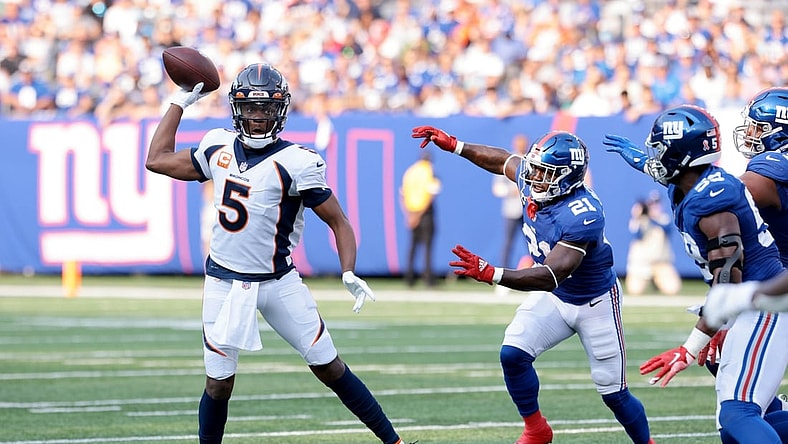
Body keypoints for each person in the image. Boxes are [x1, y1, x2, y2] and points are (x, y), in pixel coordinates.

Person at [146, 63, 409, 444]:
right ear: (237, 110)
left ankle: (394, 442)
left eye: (265, 109)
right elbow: (157, 159)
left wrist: (348, 270)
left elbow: (339, 222)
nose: (256, 118)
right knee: (218, 384)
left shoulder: (298, 162)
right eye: (249, 108)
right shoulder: (216, 144)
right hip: (223, 281)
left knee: (329, 366)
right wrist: (178, 103)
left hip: (278, 282)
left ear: (280, 111)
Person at [411, 126, 655, 444]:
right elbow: (504, 162)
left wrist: (493, 274)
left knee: (613, 393)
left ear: (567, 177)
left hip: (593, 301)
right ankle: (536, 428)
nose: (534, 177)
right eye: (536, 169)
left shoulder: (582, 214)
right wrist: (457, 146)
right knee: (512, 353)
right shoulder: (536, 178)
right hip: (556, 298)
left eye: (544, 172)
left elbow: (551, 275)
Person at [604, 104, 788, 444]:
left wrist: (690, 346)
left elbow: (728, 276)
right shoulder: (696, 183)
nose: (653, 156)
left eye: (659, 149)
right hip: (750, 304)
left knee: (739, 413)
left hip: (763, 306)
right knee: (736, 426)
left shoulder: (714, 198)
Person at [625, 191, 681, 296]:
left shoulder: (664, 219)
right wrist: (638, 216)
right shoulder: (639, 220)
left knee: (672, 289)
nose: (654, 207)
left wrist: (651, 217)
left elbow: (667, 229)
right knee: (634, 291)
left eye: (657, 204)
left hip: (660, 263)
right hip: (641, 264)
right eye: (652, 204)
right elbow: (637, 235)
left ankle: (657, 283)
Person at [399, 150, 441, 287]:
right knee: (427, 247)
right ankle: (428, 279)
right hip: (425, 213)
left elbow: (402, 194)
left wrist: (409, 215)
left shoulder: (410, 171)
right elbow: (431, 195)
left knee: (412, 247)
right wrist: (418, 215)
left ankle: (409, 278)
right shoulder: (430, 171)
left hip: (411, 211)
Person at [492, 134, 528, 269]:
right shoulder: (508, 161)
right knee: (508, 243)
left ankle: (536, 274)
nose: (522, 146)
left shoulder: (531, 160)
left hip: (528, 208)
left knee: (533, 243)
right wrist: (511, 191)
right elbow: (497, 188)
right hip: (511, 208)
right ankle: (504, 274)